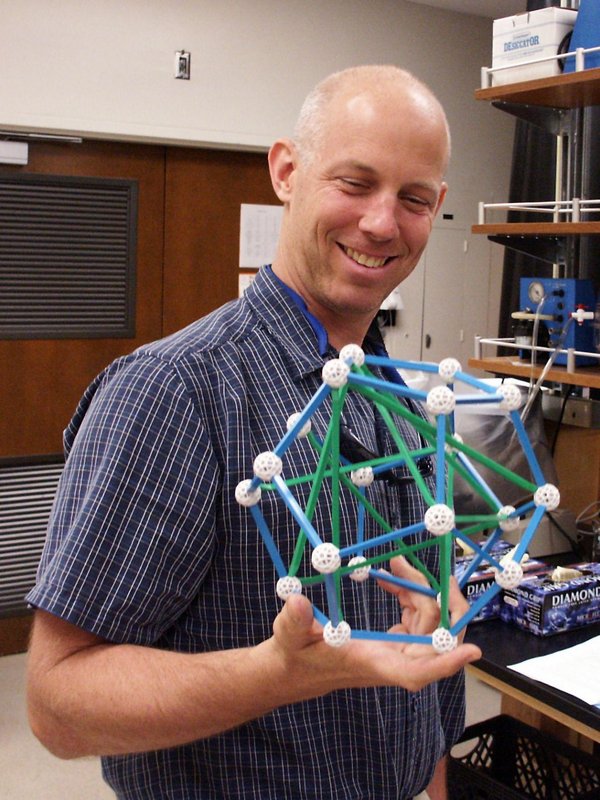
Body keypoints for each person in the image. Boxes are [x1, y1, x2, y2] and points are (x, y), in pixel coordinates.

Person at [26, 64, 482, 800]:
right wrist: (275, 676)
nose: (381, 223)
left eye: (414, 198)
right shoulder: (172, 393)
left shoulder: (401, 397)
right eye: (355, 182)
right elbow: (58, 704)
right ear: (286, 171)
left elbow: (425, 668)